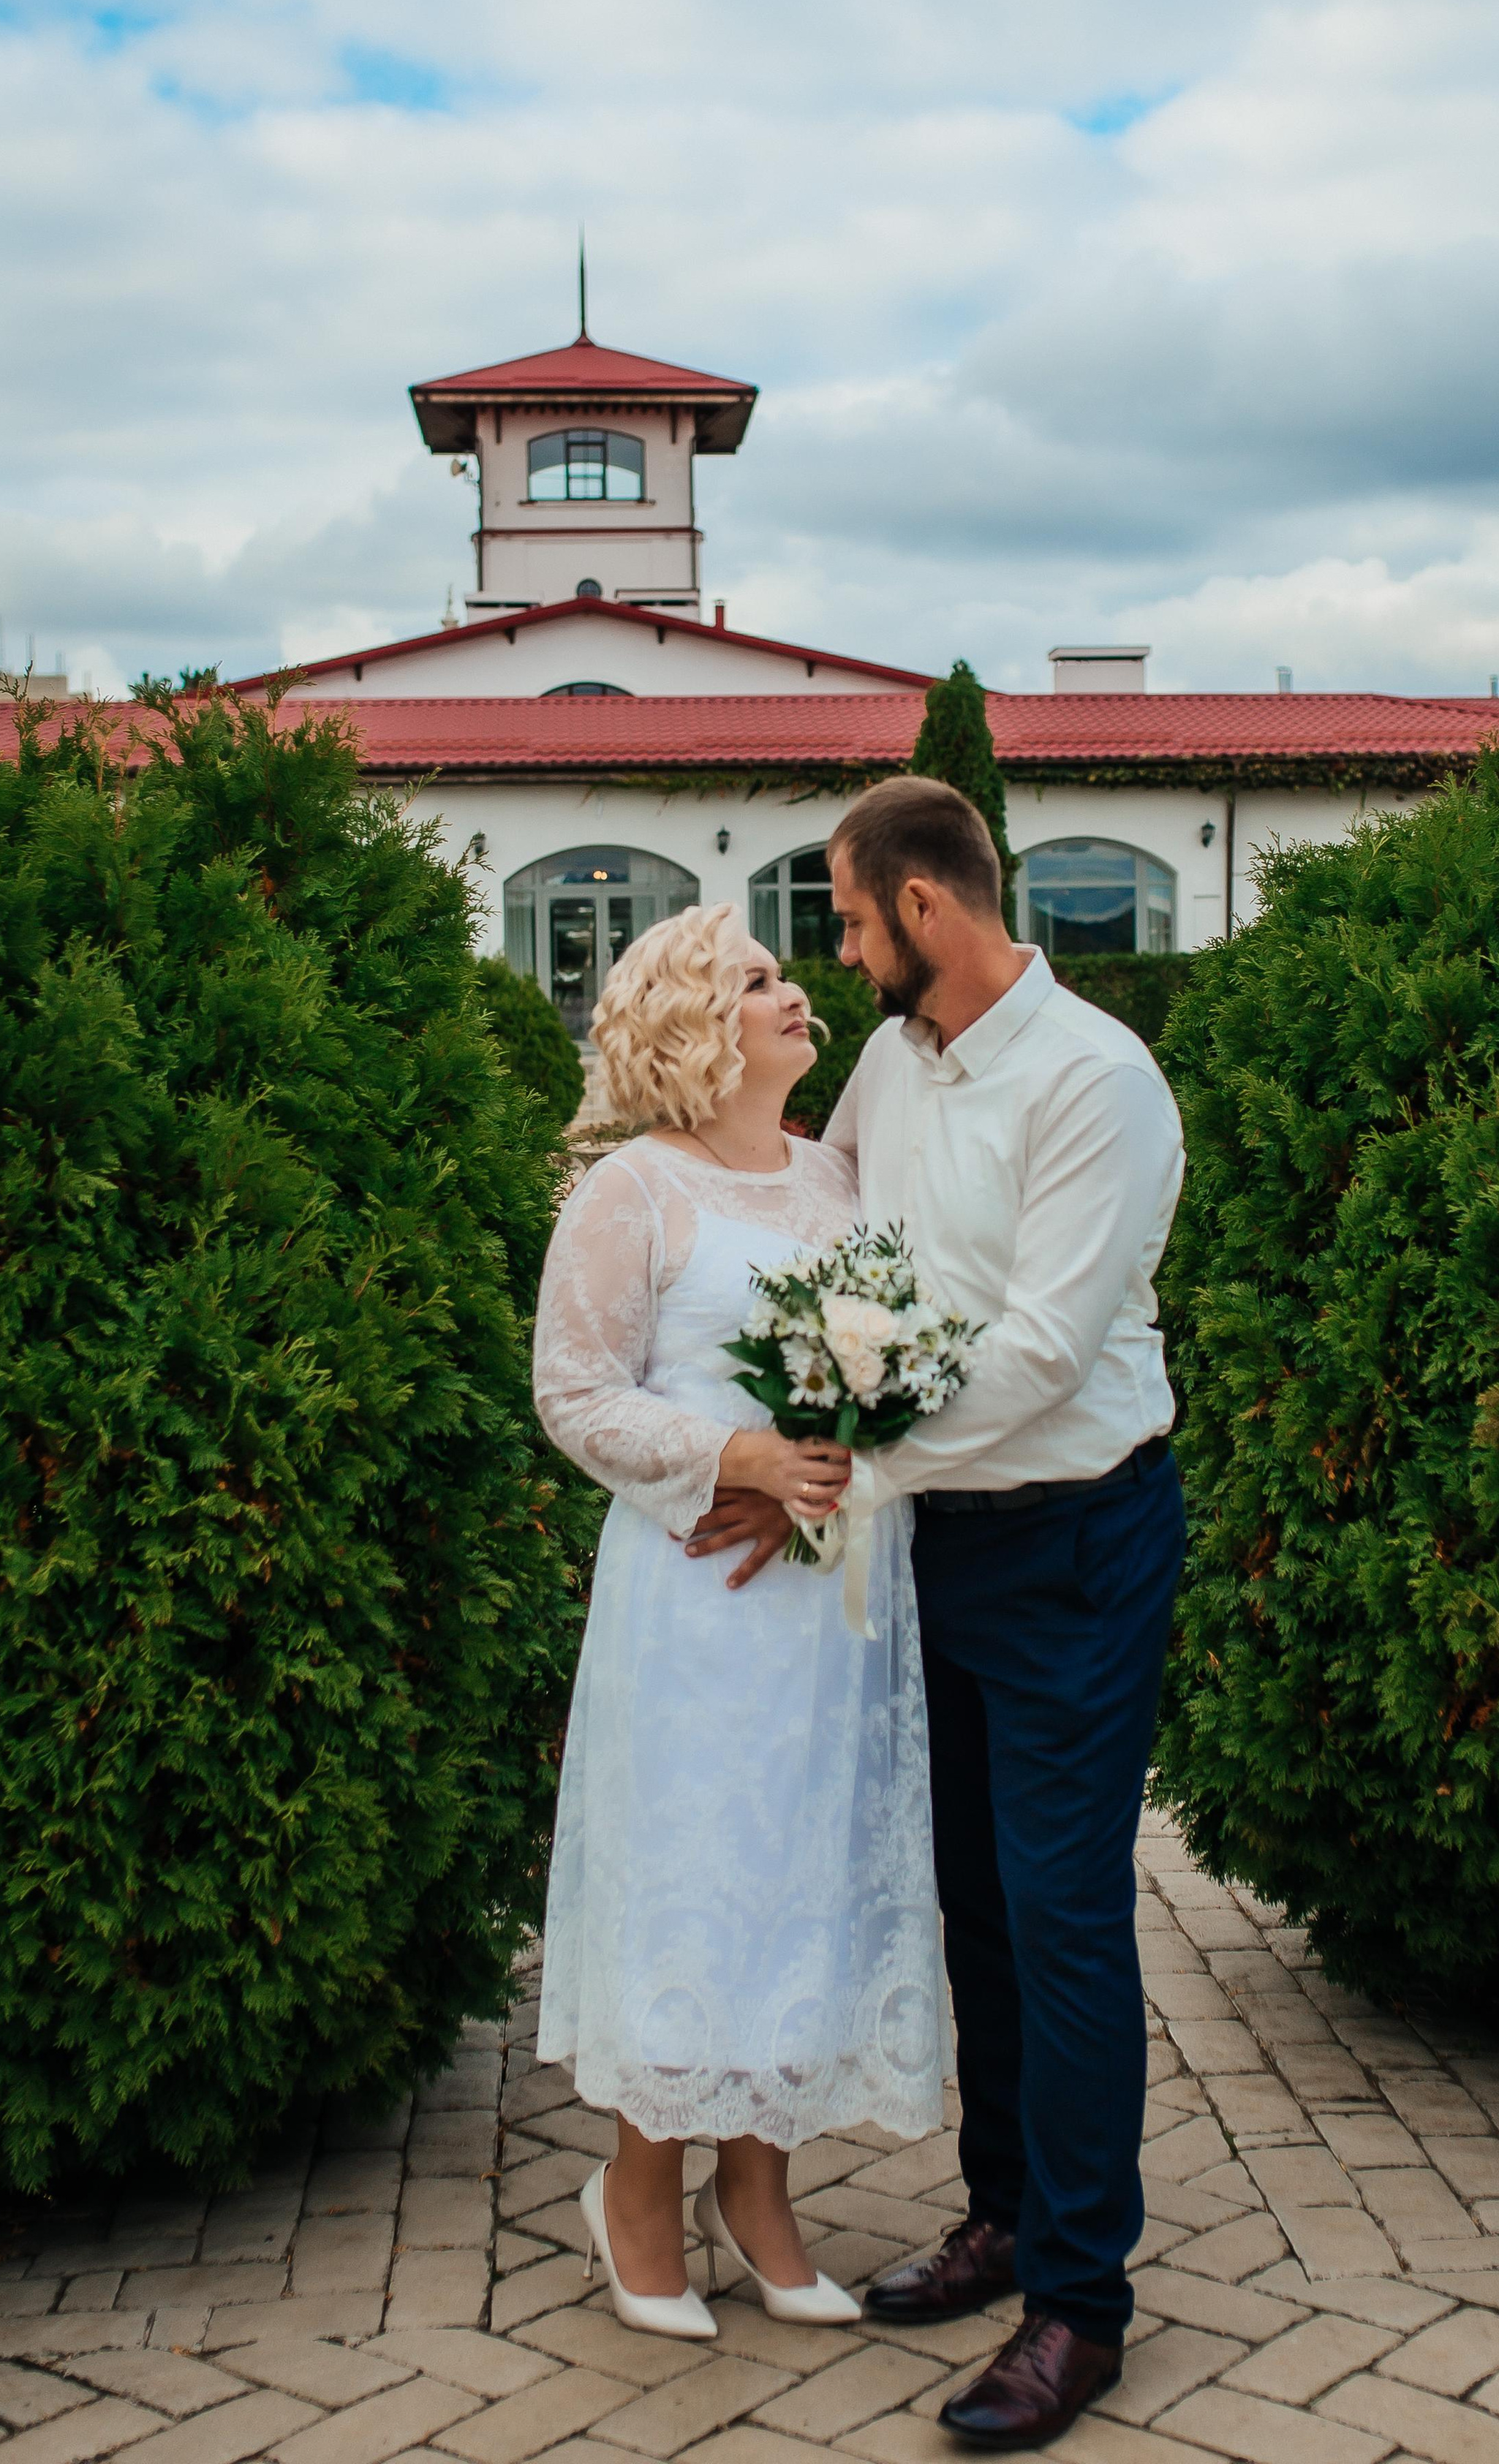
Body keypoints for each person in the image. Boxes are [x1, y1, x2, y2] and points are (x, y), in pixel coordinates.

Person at [690, 777, 1186, 2449]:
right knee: (971, 1897)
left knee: (1060, 1915)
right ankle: (1002, 2215)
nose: (834, 955)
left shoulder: (1099, 1083)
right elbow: (822, 1225)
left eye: (840, 916)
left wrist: (840, 1474)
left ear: (921, 909)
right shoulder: (897, 1067)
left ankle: (1080, 2306)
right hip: (940, 1546)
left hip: (1075, 1544)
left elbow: (1044, 1353)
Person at [530, 902, 945, 2342]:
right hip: (697, 1604)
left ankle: (758, 2193)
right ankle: (638, 2190)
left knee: (801, 1871)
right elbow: (572, 1392)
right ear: (692, 1026)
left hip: (832, 1608)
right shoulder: (631, 1192)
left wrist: (841, 1459)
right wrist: (732, 1458)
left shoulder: (835, 1180)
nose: (791, 993)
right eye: (755, 979)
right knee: (696, 1873)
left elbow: (898, 1368)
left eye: (782, 974)